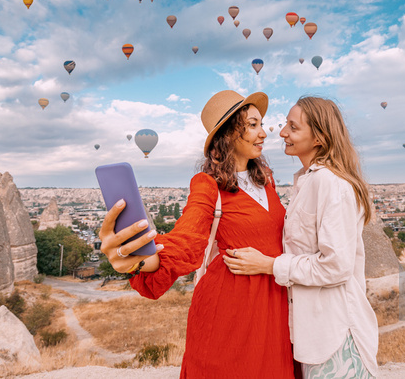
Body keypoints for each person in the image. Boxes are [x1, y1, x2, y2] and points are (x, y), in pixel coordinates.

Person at [98, 90, 294, 378]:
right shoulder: (207, 184)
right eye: (252, 125)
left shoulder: (266, 180)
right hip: (233, 308)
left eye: (262, 124)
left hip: (273, 299)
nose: (264, 133)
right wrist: (141, 258)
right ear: (228, 134)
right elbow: (186, 240)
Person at [223, 96, 379, 378]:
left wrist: (269, 265)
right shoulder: (308, 180)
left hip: (337, 334)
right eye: (285, 124)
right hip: (314, 331)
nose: (282, 132)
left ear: (319, 138)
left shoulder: (331, 184)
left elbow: (336, 266)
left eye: (293, 128)